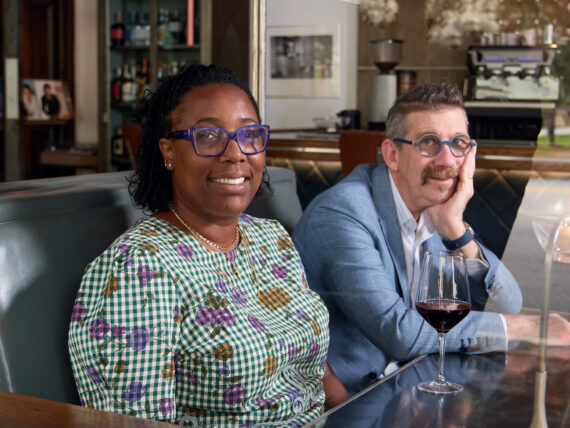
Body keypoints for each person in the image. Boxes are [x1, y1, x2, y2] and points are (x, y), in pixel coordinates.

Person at [68, 64, 346, 426]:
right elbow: (137, 422)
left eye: (249, 134)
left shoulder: (272, 239)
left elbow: (318, 373)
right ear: (168, 151)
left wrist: (357, 417)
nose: (235, 153)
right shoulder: (139, 268)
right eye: (209, 136)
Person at [292, 81, 570, 394]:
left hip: (409, 385)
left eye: (459, 144)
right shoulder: (343, 212)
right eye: (428, 142)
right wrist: (523, 328)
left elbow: (508, 302)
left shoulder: (435, 210)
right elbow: (400, 333)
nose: (448, 160)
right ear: (392, 154)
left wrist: (455, 229)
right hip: (350, 400)